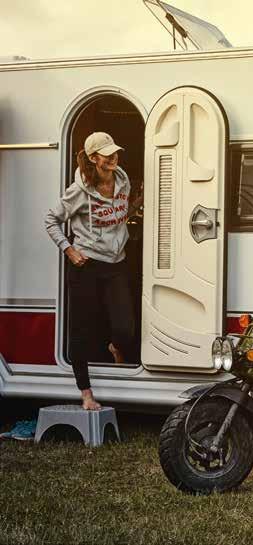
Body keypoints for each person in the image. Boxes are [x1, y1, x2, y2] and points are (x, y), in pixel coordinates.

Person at [45, 132, 142, 410]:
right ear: (93, 158)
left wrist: (136, 205)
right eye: (107, 154)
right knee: (81, 331)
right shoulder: (79, 191)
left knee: (125, 328)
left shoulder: (122, 180)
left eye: (115, 152)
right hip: (86, 266)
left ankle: (115, 347)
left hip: (116, 263)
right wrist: (69, 250)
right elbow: (51, 220)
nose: (113, 158)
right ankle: (86, 393)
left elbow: (117, 216)